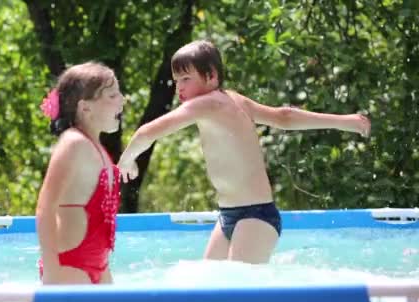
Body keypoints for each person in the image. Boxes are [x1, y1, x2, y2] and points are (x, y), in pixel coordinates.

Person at [118, 40, 370, 264]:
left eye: (186, 79)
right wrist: (344, 121)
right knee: (208, 286)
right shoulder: (234, 99)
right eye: (176, 81)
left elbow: (146, 132)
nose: (178, 89)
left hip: (256, 214)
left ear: (212, 76)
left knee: (234, 290)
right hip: (228, 215)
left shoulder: (208, 103)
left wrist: (126, 161)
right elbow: (285, 117)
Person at [35, 62, 125, 284]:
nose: (122, 100)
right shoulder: (73, 143)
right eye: (113, 95)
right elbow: (45, 208)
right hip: (68, 266)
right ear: (85, 108)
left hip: (99, 266)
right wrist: (51, 270)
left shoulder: (97, 148)